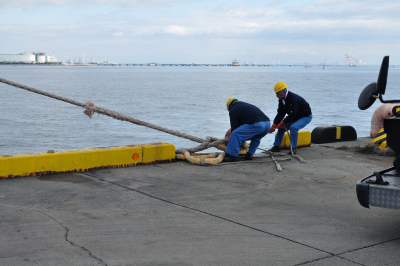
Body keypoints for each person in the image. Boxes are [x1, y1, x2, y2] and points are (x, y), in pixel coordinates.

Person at [269, 82, 312, 155]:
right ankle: (276, 146)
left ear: (282, 92)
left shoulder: (293, 99)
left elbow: (292, 114)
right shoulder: (281, 100)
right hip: (295, 116)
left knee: (293, 127)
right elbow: (280, 113)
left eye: (277, 94)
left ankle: (293, 148)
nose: (276, 96)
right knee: (281, 128)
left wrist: (282, 123)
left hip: (305, 117)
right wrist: (274, 125)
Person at [224, 98, 270, 162]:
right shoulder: (243, 105)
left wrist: (236, 142)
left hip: (257, 124)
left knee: (235, 134)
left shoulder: (233, 110)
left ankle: (233, 156)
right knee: (257, 137)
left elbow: (234, 127)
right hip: (267, 124)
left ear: (229, 106)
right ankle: (249, 155)